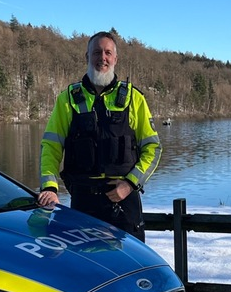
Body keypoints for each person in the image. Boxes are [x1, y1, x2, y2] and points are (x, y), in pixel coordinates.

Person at [38, 31, 161, 240]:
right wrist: (49, 187)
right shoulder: (68, 99)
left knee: (129, 268)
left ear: (115, 58)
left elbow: (153, 148)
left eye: (107, 53)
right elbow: (51, 146)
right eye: (96, 52)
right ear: (87, 57)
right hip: (83, 204)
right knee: (86, 269)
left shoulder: (134, 98)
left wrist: (130, 184)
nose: (102, 58)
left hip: (124, 202)